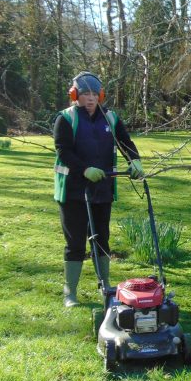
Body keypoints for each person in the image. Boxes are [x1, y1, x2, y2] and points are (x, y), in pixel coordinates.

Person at [53, 72, 144, 307]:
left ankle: (106, 287)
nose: (90, 99)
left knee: (102, 238)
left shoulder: (110, 118)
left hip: (102, 190)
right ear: (75, 95)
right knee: (75, 242)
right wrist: (84, 169)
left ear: (100, 96)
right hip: (73, 191)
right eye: (85, 94)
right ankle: (70, 293)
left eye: (94, 94)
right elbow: (63, 151)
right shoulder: (66, 119)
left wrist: (134, 160)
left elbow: (125, 142)